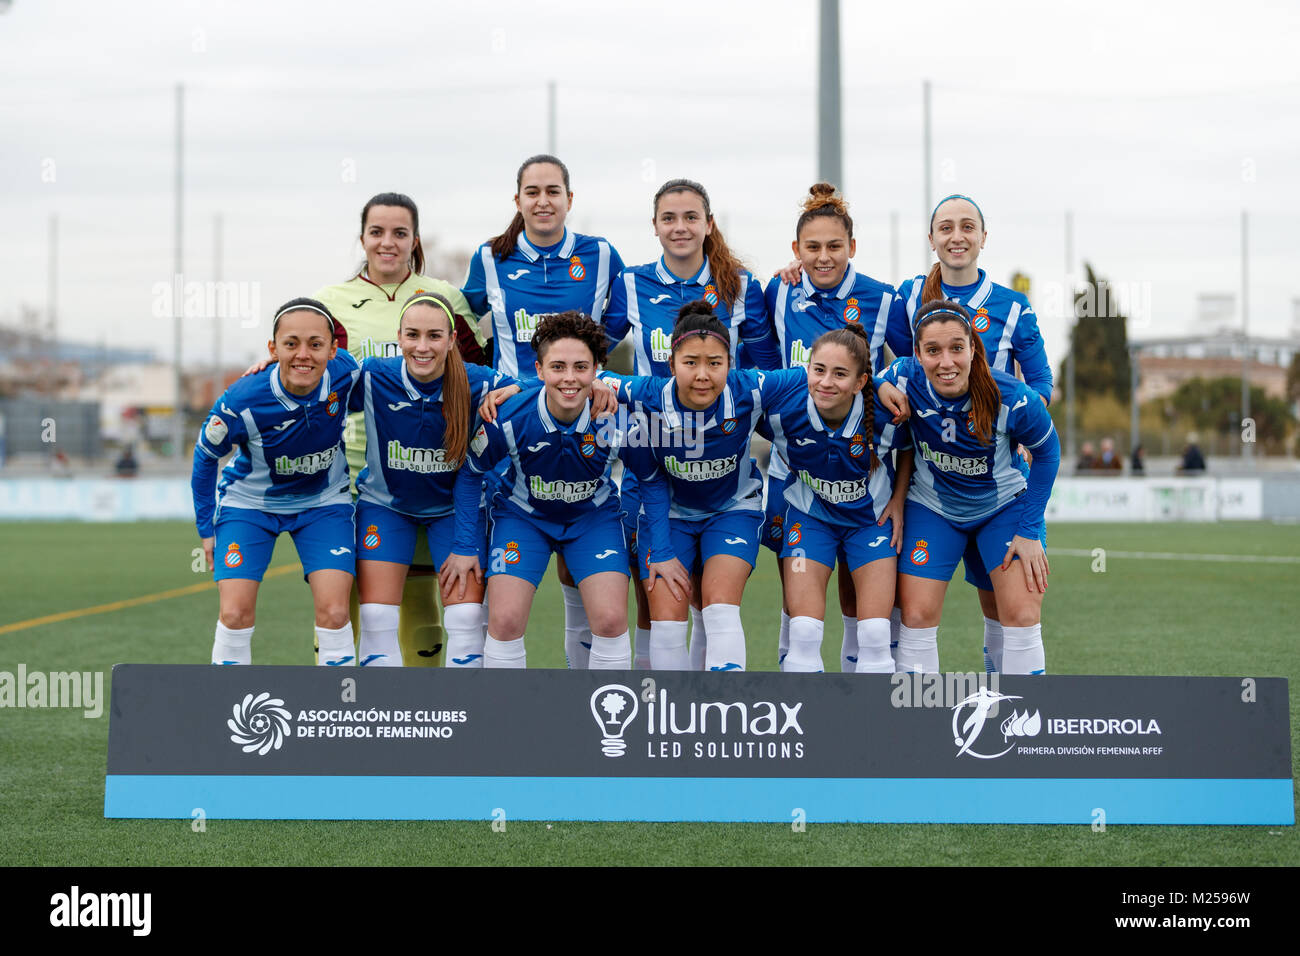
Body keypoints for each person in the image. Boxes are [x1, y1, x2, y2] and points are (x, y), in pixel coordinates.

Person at [601, 178, 780, 668]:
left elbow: (766, 367)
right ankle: (656, 719)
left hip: (723, 462)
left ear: (708, 224)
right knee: (657, 606)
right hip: (652, 465)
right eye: (669, 218)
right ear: (655, 226)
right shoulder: (632, 284)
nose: (680, 227)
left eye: (690, 217)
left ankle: (709, 716)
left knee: (713, 603)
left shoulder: (740, 285)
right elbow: (589, 355)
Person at [461, 155, 625, 668]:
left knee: (595, 608)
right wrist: (492, 383)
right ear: (517, 201)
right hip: (514, 435)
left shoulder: (600, 256)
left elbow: (620, 322)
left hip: (581, 423)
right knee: (503, 616)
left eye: (553, 191)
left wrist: (590, 379)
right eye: (532, 192)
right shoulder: (490, 257)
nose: (543, 200)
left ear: (570, 200)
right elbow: (458, 323)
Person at [313, 192, 487, 668]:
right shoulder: (331, 302)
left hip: (433, 477)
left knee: (421, 598)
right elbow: (310, 372)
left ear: (415, 239)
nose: (387, 243)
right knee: (341, 603)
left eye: (399, 233)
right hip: (349, 478)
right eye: (377, 232)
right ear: (362, 237)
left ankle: (426, 721)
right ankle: (345, 719)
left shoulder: (445, 298)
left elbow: (477, 378)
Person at [891, 194, 1054, 675]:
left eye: (967, 227)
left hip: (999, 473)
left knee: (1007, 611)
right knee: (916, 614)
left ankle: (1014, 720)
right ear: (931, 239)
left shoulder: (1012, 306)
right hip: (933, 481)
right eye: (945, 227)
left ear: (984, 238)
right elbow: (892, 364)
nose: (956, 236)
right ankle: (914, 727)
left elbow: (1041, 382)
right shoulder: (907, 296)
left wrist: (1016, 418)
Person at [599, 300, 796, 672]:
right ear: (671, 365)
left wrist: (880, 387)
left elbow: (819, 378)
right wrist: (510, 390)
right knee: (668, 621)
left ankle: (720, 714)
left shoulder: (750, 389)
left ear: (730, 364)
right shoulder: (646, 394)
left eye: (714, 363)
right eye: (691, 362)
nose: (703, 374)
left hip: (732, 511)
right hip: (668, 515)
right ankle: (674, 719)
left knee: (719, 606)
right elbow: (578, 380)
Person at [765, 182, 907, 672]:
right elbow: (761, 371)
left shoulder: (884, 299)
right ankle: (802, 715)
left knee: (866, 617)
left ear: (852, 247)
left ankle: (865, 722)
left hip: (864, 471)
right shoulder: (777, 291)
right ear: (795, 251)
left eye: (834, 246)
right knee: (800, 616)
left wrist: (882, 381)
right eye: (812, 248)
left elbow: (910, 371)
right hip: (795, 473)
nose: (823, 257)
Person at [447, 311, 639, 669]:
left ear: (597, 370)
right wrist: (462, 547)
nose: (569, 378)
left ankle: (600, 722)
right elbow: (470, 473)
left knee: (611, 621)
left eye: (581, 367)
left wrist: (654, 544)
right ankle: (505, 723)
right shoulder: (510, 415)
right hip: (524, 519)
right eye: (558, 367)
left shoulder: (616, 418)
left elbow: (650, 477)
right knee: (503, 622)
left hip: (592, 519)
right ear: (539, 370)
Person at [348, 291, 517, 667]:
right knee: (376, 617)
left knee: (467, 618)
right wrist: (270, 364)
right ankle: (384, 715)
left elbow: (542, 385)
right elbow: (314, 381)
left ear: (452, 340)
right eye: (412, 335)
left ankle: (464, 715)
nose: (422, 347)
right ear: (399, 337)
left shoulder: (478, 381)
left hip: (454, 511)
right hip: (385, 507)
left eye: (434, 336)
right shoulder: (375, 374)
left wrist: (519, 389)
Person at [192, 297, 362, 666]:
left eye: (316, 344)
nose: (303, 354)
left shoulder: (346, 373)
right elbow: (205, 456)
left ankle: (340, 715)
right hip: (249, 507)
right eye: (291, 344)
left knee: (335, 613)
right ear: (272, 349)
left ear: (334, 349)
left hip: (323, 506)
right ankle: (229, 712)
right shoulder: (242, 399)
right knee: (235, 614)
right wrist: (206, 529)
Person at [767, 322, 912, 673]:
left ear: (861, 382)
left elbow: (909, 449)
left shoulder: (887, 415)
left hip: (869, 523)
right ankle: (804, 724)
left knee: (876, 634)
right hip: (809, 521)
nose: (826, 382)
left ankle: (870, 726)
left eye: (840, 374)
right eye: (818, 370)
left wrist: (898, 498)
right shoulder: (783, 408)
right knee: (802, 630)